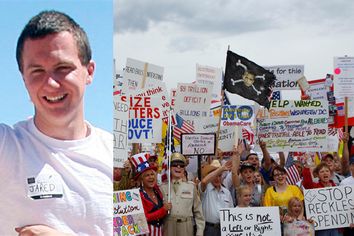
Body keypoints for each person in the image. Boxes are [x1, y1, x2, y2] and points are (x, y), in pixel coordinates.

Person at [0, 10, 112, 235]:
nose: (51, 83)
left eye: (62, 68)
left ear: (89, 72)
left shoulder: (115, 156)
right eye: (37, 71)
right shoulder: (6, 147)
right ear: (23, 79)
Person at [160, 152, 205, 236]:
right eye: (175, 164)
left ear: (184, 168)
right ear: (169, 167)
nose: (178, 167)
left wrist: (200, 231)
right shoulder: (162, 187)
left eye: (181, 165)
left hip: (186, 226)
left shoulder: (191, 187)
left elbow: (198, 211)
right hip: (169, 226)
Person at [130, 153, 172, 236]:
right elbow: (144, 218)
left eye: (152, 174)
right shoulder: (137, 195)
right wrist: (163, 210)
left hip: (160, 232)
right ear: (141, 179)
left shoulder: (158, 191)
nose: (151, 177)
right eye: (147, 175)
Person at [199, 159, 234, 236]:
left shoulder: (226, 192)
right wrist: (221, 169)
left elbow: (231, 211)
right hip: (209, 229)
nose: (217, 178)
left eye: (219, 175)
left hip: (224, 228)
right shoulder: (205, 189)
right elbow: (204, 181)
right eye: (215, 176)